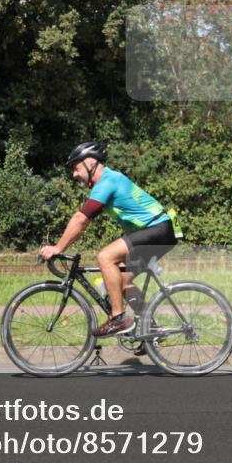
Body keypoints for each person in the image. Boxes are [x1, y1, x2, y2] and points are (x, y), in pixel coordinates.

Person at [38, 141, 177, 337]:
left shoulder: (107, 182)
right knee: (120, 283)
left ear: (90, 163)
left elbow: (81, 219)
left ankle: (118, 318)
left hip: (158, 228)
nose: (74, 174)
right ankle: (151, 330)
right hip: (160, 230)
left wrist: (58, 248)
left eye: (76, 168)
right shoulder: (109, 180)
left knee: (105, 257)